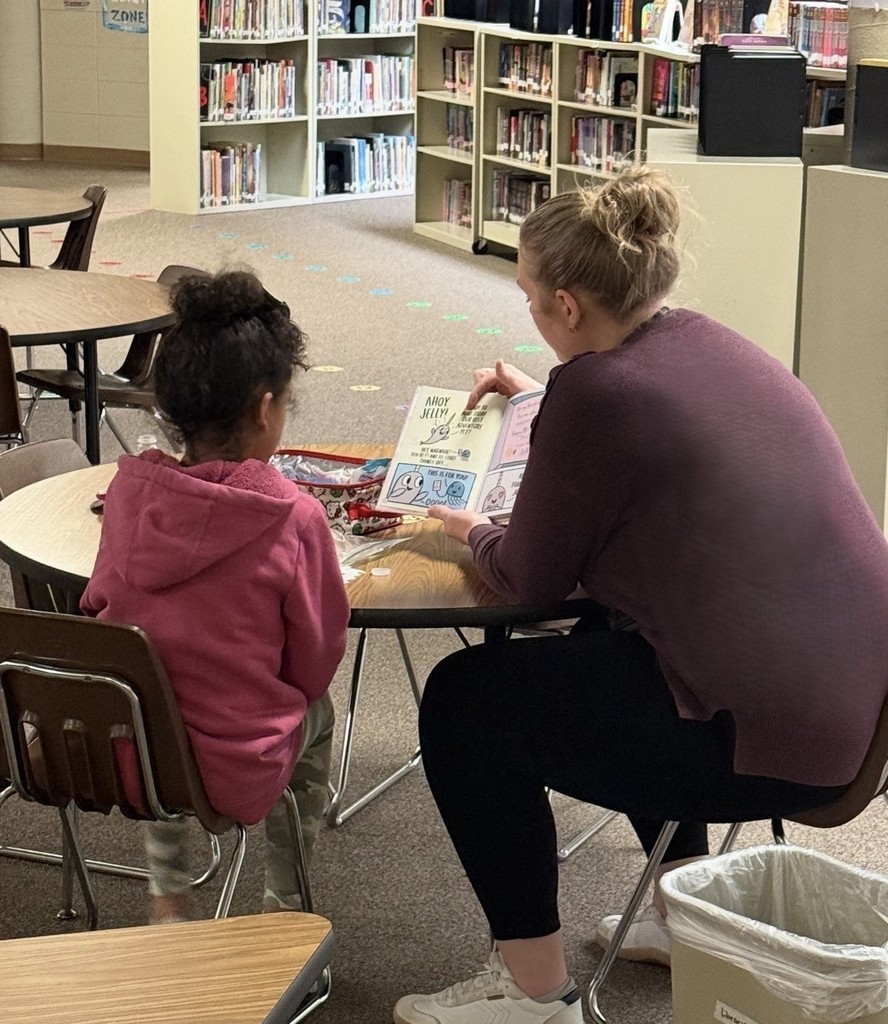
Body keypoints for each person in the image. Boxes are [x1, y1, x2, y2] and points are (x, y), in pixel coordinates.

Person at [393, 167, 888, 1024]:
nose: (529, 312)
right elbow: (649, 438)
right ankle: (678, 914)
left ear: (567, 305)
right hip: (847, 703)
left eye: (528, 295)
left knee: (467, 703)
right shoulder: (704, 340)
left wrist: (466, 526)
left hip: (764, 739)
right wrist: (548, 401)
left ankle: (531, 994)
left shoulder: (598, 395)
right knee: (622, 654)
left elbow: (531, 578)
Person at [81, 270, 350, 923]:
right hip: (239, 766)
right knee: (320, 717)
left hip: (131, 756)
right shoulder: (294, 518)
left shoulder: (127, 496)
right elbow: (313, 662)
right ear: (265, 409)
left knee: (155, 688)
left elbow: (97, 609)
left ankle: (169, 892)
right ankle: (285, 905)